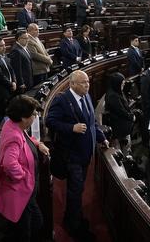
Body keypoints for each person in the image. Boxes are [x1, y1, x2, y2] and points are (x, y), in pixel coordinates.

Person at [45, 70, 109, 240]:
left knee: (78, 190)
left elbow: (91, 121)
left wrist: (101, 137)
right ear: (72, 84)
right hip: (71, 155)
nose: (87, 85)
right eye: (82, 82)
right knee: (75, 191)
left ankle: (74, 219)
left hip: (85, 154)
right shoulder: (62, 99)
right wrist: (71, 127)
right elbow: (50, 121)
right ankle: (73, 227)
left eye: (87, 82)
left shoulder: (86, 96)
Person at [0, 95, 49, 242]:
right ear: (23, 117)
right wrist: (24, 176)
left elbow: (26, 139)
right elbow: (9, 164)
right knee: (26, 231)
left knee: (36, 222)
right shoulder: (13, 136)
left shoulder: (13, 125)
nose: (35, 116)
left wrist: (37, 144)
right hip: (21, 192)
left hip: (27, 192)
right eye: (33, 114)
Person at [105, 72, 134, 155]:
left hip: (123, 128)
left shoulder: (117, 91)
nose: (123, 84)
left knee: (127, 146)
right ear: (117, 83)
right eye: (122, 83)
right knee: (124, 150)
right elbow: (121, 111)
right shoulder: (112, 96)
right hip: (118, 129)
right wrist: (131, 117)